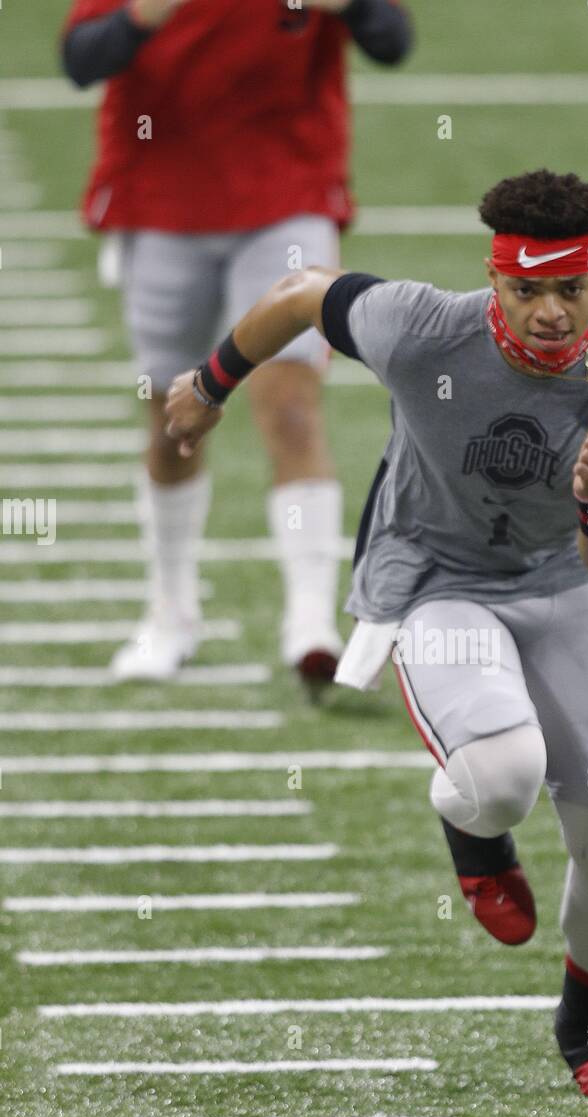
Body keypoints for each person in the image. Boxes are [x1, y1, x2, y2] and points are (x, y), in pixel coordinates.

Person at [164, 169, 588, 1099]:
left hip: (565, 582)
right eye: (529, 290)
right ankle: (470, 830)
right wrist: (212, 383)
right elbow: (296, 293)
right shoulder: (420, 328)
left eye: (572, 289)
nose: (552, 312)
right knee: (503, 776)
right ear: (496, 283)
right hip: (437, 578)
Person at [61, 0, 413, 689]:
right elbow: (81, 60)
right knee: (174, 420)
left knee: (290, 406)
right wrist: (140, 18)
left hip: (286, 197)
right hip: (161, 200)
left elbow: (392, 39)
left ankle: (310, 622)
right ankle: (170, 613)